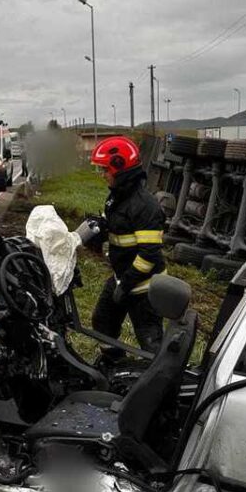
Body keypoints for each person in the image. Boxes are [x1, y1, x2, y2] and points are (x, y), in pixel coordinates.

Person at [82, 135, 166, 352]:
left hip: (145, 287)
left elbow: (149, 255)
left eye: (105, 170)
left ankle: (159, 381)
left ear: (120, 169)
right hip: (123, 278)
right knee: (102, 321)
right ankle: (113, 364)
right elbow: (118, 227)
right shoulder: (117, 198)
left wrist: (126, 286)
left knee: (150, 341)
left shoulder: (145, 206)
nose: (103, 175)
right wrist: (100, 228)